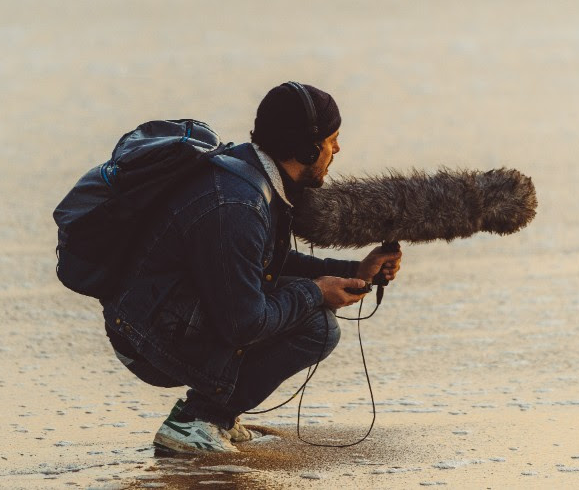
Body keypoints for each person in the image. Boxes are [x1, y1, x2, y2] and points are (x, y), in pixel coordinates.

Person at [100, 82, 402, 454]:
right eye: (332, 140)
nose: (336, 149)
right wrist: (316, 291)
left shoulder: (250, 170)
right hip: (144, 339)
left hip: (158, 313)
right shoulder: (239, 204)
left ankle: (209, 416)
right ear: (307, 149)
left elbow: (263, 262)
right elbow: (244, 324)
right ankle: (197, 422)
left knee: (301, 308)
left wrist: (355, 269)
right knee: (318, 327)